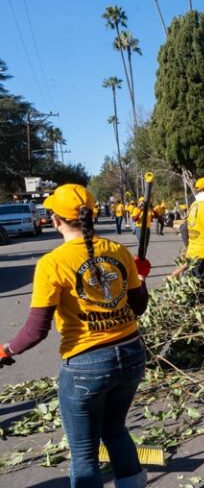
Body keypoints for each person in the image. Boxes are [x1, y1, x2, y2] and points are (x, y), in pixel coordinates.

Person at [0, 184, 151, 488]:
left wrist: (7, 350)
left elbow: (36, 330)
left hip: (86, 366)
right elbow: (139, 307)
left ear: (55, 220)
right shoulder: (118, 251)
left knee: (84, 454)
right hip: (132, 354)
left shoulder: (52, 263)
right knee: (116, 431)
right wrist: (141, 278)